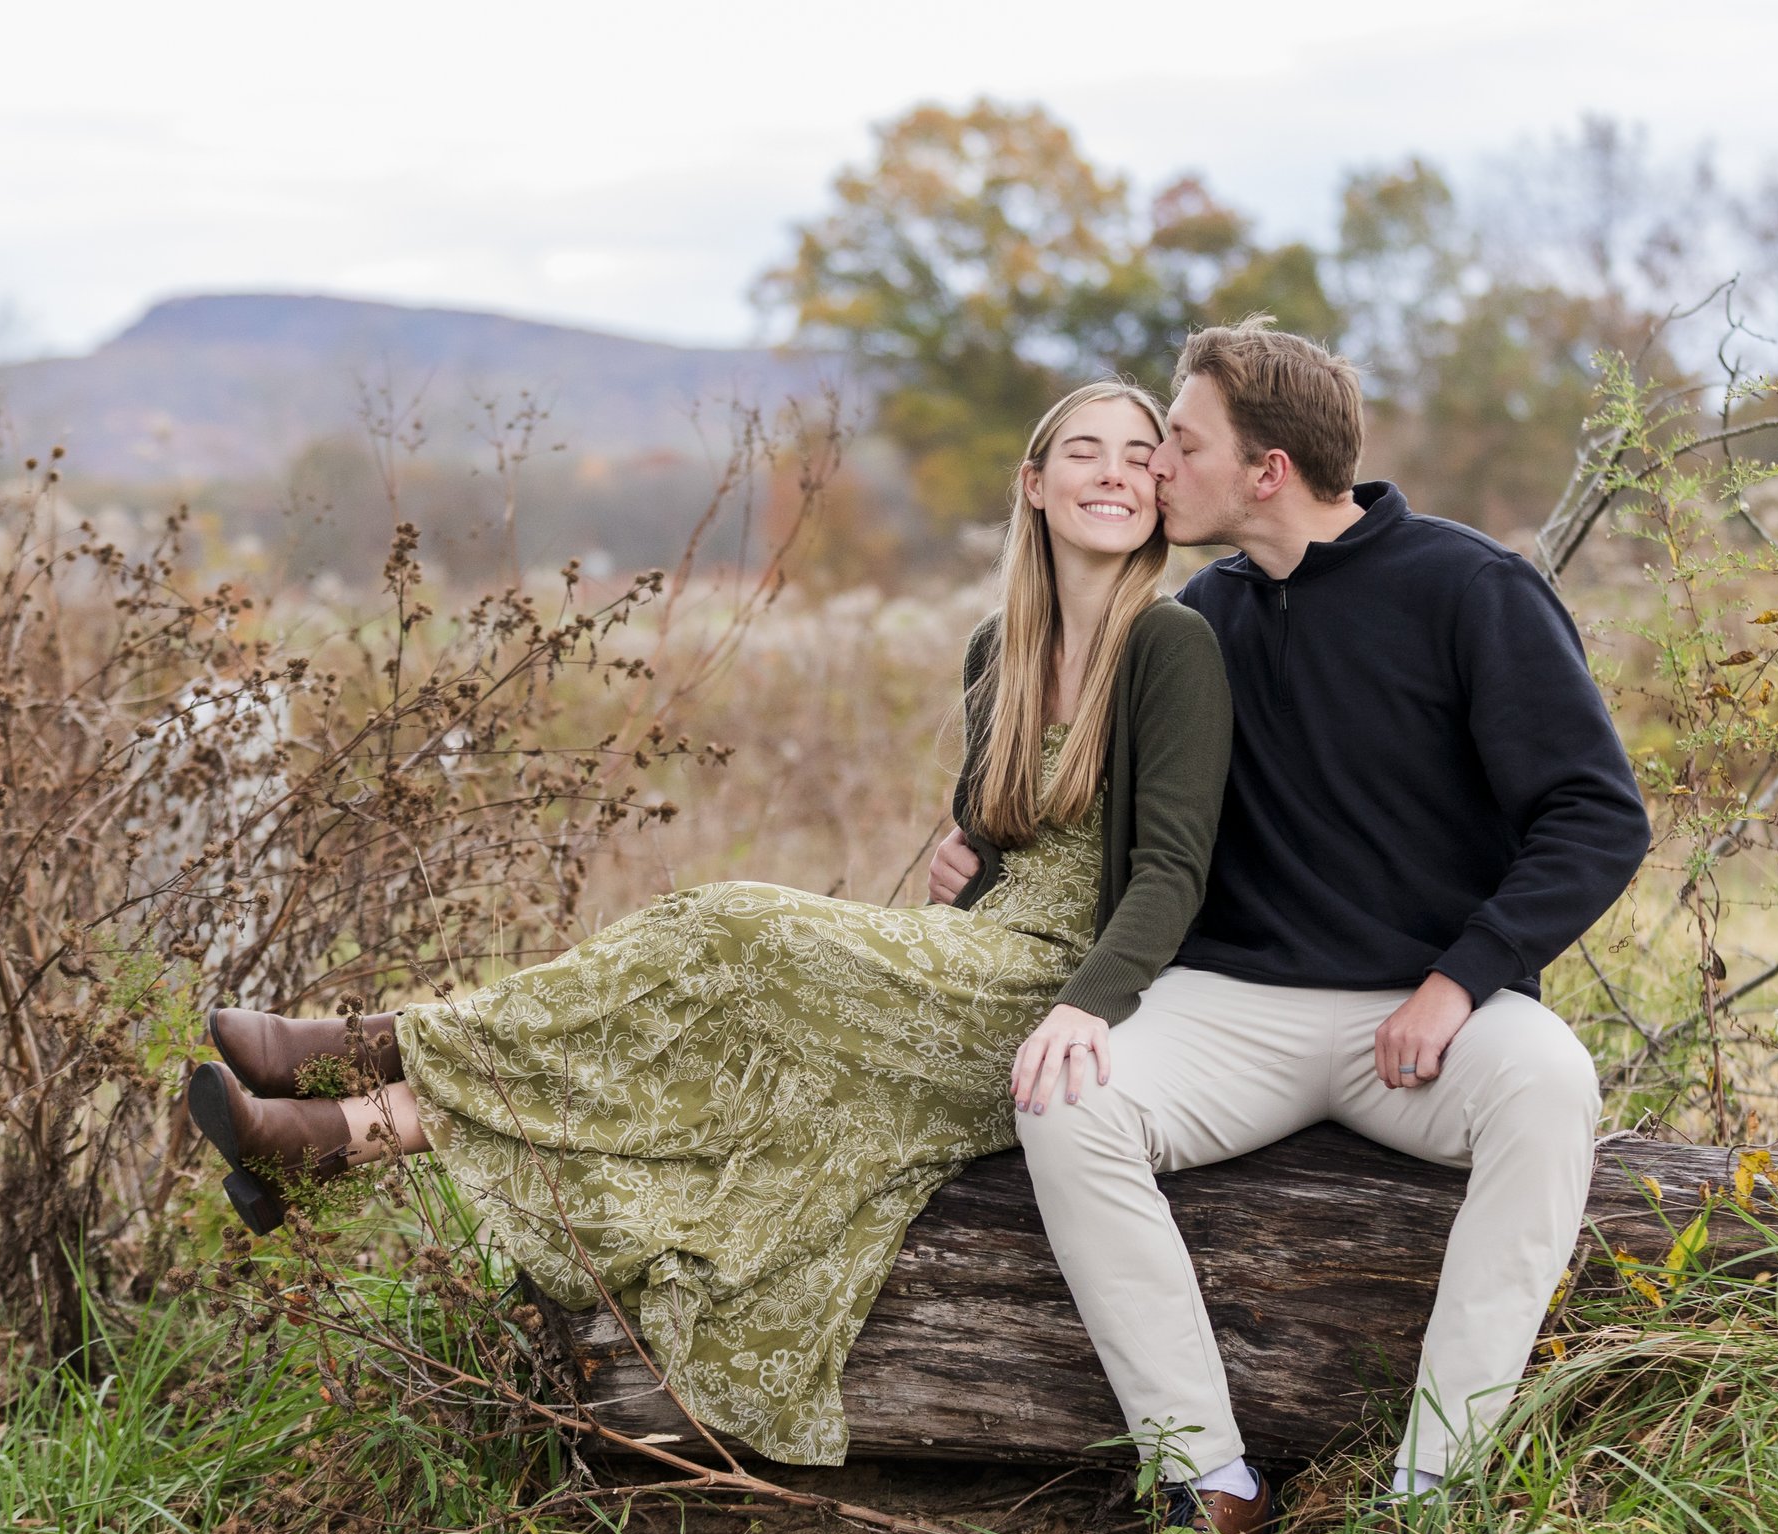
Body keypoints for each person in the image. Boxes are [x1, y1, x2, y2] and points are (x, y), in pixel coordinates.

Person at [185, 381, 1232, 1470]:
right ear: (1034, 483)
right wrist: (961, 873)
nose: (1112, 471)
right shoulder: (997, 649)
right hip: (972, 959)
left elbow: (1169, 872)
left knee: (727, 929)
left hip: (1053, 995)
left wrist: (1078, 1006)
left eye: (1136, 453)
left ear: (1159, 489)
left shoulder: (1170, 643)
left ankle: (373, 1043)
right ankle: (349, 1133)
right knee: (701, 1047)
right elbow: (995, 851)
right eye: (1083, 452)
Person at [929, 320, 1650, 1534]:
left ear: (1265, 470)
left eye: (1182, 443)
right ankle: (1210, 1479)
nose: (1156, 468)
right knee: (1066, 1097)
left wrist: (1461, 978)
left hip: (1422, 1013)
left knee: (1550, 1084)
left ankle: (1437, 1481)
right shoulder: (1199, 617)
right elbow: (1100, 804)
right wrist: (977, 852)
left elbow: (1595, 815)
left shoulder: (1470, 589)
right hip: (1231, 1005)